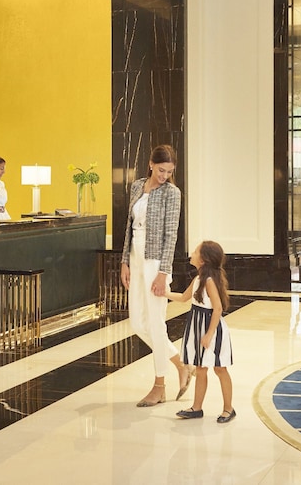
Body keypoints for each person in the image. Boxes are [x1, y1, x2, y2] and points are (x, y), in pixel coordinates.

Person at [120, 144, 191, 407]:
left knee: (156, 324)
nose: (164, 176)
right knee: (138, 323)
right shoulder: (137, 186)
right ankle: (180, 364)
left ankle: (159, 386)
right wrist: (124, 261)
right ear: (151, 164)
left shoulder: (172, 193)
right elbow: (128, 227)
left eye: (169, 172)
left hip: (155, 262)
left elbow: (171, 235)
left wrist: (163, 273)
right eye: (161, 170)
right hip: (135, 258)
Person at [165, 240, 235, 423]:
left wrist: (209, 334)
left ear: (203, 260)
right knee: (201, 368)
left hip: (212, 329)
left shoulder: (209, 281)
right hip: (199, 326)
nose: (192, 253)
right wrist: (163, 293)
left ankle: (229, 409)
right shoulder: (198, 279)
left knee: (220, 368)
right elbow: (183, 297)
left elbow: (217, 309)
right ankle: (197, 408)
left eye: (196, 251)